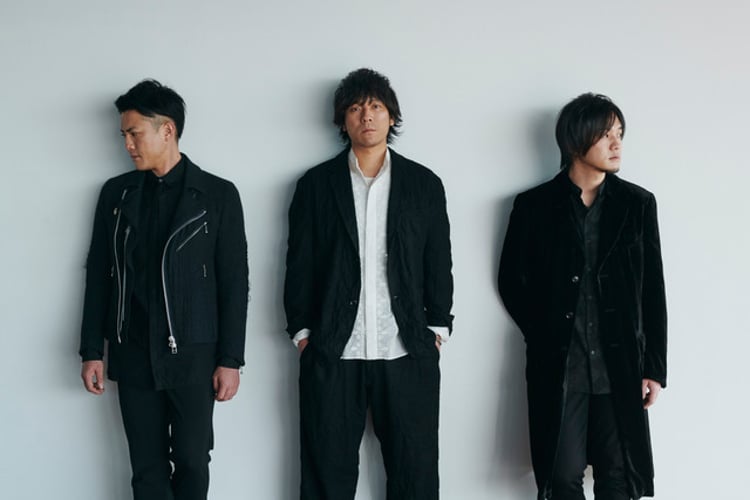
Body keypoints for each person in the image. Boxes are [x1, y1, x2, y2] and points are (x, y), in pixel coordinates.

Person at [284, 68, 454, 500]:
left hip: (406, 348)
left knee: (415, 474)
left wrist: (437, 330)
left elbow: (438, 263)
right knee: (326, 476)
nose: (367, 116)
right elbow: (299, 263)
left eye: (376, 106)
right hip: (334, 350)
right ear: (342, 120)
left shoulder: (424, 185)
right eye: (356, 108)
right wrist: (303, 333)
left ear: (391, 116)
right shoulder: (316, 185)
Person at [79, 79, 249, 500]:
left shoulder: (217, 195)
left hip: (194, 354)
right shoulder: (116, 195)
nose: (127, 145)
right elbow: (99, 273)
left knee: (193, 458)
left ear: (167, 130)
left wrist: (231, 359)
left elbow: (234, 282)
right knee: (146, 468)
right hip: (132, 348)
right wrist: (91, 350)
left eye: (134, 133)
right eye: (124, 135)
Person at [498, 93, 667, 499]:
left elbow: (652, 289)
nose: (616, 143)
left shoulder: (637, 204)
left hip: (619, 366)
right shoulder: (534, 206)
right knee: (561, 477)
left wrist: (654, 367)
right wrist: (544, 331)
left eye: (619, 133)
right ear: (575, 141)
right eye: (605, 134)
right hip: (560, 366)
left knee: (619, 477)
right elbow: (511, 281)